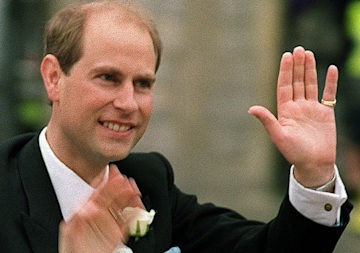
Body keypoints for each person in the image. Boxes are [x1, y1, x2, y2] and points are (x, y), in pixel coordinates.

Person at [0, 1, 352, 252]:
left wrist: (314, 173)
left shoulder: (151, 180)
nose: (128, 103)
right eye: (108, 78)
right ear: (53, 78)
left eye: (143, 84)